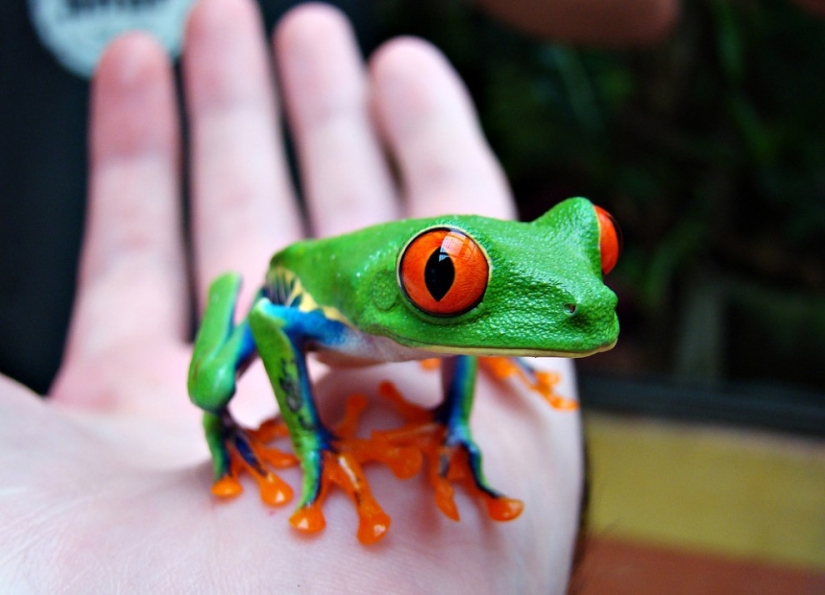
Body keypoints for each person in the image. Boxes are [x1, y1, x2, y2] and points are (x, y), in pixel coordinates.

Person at [0, 1, 584, 592]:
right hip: (301, 291)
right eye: (446, 277)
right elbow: (275, 322)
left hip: (388, 297)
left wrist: (454, 416)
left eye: (599, 247)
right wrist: (310, 434)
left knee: (463, 322)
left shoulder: (441, 319)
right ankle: (234, 422)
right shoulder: (363, 319)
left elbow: (455, 333)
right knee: (210, 386)